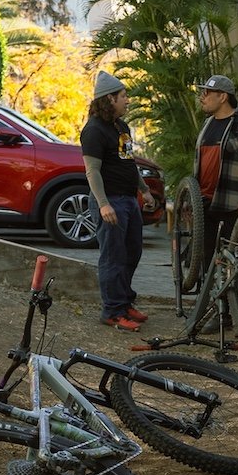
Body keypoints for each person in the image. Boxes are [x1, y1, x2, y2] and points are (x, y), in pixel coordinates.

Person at [82, 71, 155, 333]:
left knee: (131, 252)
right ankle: (112, 311)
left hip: (128, 200)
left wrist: (144, 190)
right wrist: (103, 204)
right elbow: (92, 171)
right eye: (123, 96)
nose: (127, 100)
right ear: (109, 99)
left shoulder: (121, 127)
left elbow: (128, 162)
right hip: (109, 202)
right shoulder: (93, 131)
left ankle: (125, 303)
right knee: (112, 257)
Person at [194, 74, 238, 246]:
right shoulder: (207, 124)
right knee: (203, 262)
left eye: (207, 93)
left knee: (235, 259)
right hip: (204, 204)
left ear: (223, 96)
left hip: (232, 204)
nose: (202, 97)